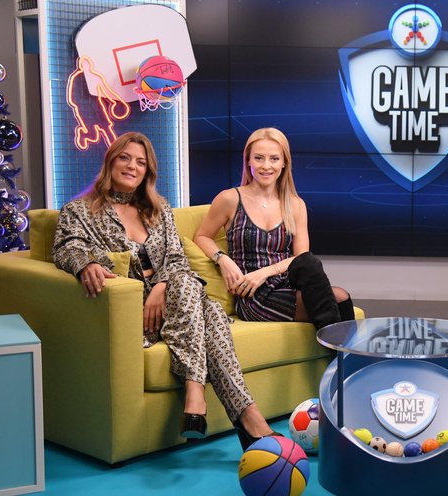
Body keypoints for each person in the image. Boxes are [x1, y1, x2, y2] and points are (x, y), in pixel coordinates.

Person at [52, 132, 279, 451]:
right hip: (135, 311)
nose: (132, 166)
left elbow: (176, 258)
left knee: (187, 287)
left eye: (140, 162)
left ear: (148, 171)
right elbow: (67, 246)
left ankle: (217, 406)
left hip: (172, 303)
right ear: (110, 162)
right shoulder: (79, 211)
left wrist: (160, 287)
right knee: (210, 311)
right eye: (124, 158)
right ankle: (236, 413)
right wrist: (85, 263)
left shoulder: (159, 210)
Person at [194, 127, 354, 330]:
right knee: (338, 301)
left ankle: (337, 349)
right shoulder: (229, 199)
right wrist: (222, 259)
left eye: (274, 159)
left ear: (284, 162)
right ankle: (342, 350)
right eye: (259, 158)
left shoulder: (295, 204)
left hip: (285, 282)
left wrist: (265, 272)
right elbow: (202, 236)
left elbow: (301, 259)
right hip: (253, 295)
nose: (266, 166)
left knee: (316, 269)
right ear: (248, 161)